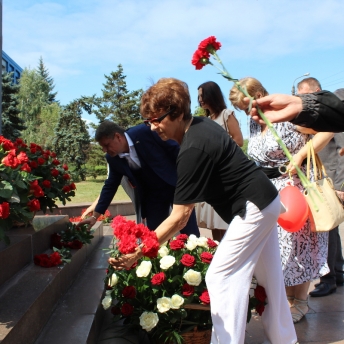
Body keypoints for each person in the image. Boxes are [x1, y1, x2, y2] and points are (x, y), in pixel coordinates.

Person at [110, 78, 297, 344]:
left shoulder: (193, 147)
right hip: (264, 201)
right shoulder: (200, 126)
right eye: (148, 122)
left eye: (156, 120)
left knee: (221, 276)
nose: (152, 128)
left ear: (175, 113)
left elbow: (179, 216)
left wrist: (139, 252)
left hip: (253, 207)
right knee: (270, 278)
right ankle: (286, 340)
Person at [229, 77, 333, 323]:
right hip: (267, 192)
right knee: (279, 250)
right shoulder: (254, 122)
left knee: (300, 247)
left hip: (294, 189)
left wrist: (299, 156)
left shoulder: (285, 113)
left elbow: (327, 129)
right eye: (242, 110)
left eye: (247, 106)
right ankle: (284, 300)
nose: (246, 113)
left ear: (259, 95)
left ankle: (300, 301)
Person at [77, 120, 200, 236]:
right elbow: (110, 186)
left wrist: (189, 179)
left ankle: (198, 257)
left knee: (189, 232)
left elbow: (176, 149)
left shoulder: (145, 132)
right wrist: (95, 216)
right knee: (154, 236)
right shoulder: (113, 159)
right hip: (153, 198)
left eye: (106, 145)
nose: (105, 150)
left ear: (118, 137)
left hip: (176, 187)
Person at [296, 78, 344, 297]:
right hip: (326, 179)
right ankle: (338, 272)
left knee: (328, 227)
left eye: (306, 95)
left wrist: (341, 184)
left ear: (317, 91)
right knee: (331, 225)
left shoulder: (332, 112)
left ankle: (329, 279)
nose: (303, 100)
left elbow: (342, 149)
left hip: (334, 180)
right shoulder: (316, 116)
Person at [195, 81, 243, 241]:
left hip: (225, 174)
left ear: (211, 95)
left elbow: (239, 141)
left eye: (202, 95)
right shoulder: (205, 120)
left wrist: (217, 150)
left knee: (226, 222)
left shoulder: (226, 114)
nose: (200, 99)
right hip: (210, 175)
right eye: (199, 96)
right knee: (213, 223)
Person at [247, 89, 344, 132]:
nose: (249, 113)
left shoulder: (287, 123)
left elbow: (325, 135)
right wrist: (300, 105)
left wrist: (301, 155)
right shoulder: (254, 125)